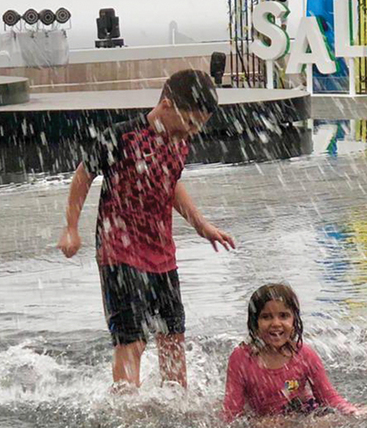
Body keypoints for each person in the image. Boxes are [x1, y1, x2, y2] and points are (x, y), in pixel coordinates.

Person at [56, 69, 236, 391]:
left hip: (162, 254)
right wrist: (71, 227)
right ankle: (126, 408)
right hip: (119, 252)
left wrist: (200, 224)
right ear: (166, 105)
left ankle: (177, 402)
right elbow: (83, 175)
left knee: (172, 335)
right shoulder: (121, 136)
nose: (193, 132)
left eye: (199, 126)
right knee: (132, 340)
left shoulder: (180, 142)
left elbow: (170, 182)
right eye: (190, 122)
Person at [222, 283, 367, 423]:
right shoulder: (241, 359)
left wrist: (352, 411)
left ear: (294, 322)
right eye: (266, 317)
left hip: (301, 414)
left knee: (326, 421)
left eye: (283, 316)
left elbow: (328, 397)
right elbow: (232, 413)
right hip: (262, 421)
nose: (276, 323)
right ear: (255, 324)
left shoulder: (305, 356)